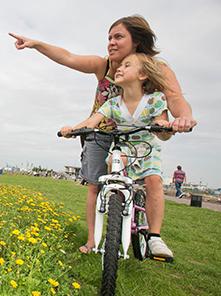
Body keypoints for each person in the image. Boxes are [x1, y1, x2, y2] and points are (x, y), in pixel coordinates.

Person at [10, 15, 196, 255]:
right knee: (95, 185)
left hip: (136, 134)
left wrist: (182, 119)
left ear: (136, 41)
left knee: (151, 180)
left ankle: (147, 231)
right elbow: (68, 58)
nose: (111, 42)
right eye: (109, 37)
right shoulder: (105, 65)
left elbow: (174, 98)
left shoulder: (154, 69)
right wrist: (36, 44)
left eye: (118, 37)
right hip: (100, 132)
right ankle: (92, 239)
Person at [60, 53, 174, 257]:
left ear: (143, 75)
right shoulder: (112, 103)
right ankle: (114, 205)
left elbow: (163, 132)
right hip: (124, 148)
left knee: (154, 180)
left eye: (127, 65)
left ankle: (155, 236)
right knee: (114, 162)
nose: (119, 69)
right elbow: (92, 122)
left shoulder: (155, 100)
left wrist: (164, 127)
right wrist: (73, 129)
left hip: (147, 148)